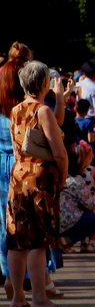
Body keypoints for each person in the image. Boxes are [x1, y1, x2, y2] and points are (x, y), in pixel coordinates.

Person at [5, 61, 69, 307]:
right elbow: (58, 152)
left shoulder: (15, 110)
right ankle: (40, 299)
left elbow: (17, 145)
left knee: (16, 240)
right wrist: (62, 176)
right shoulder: (42, 111)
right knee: (37, 241)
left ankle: (18, 297)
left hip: (18, 176)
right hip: (40, 179)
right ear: (44, 83)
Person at [0, 42, 32, 288]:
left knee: (3, 220)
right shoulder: (25, 111)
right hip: (21, 166)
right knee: (23, 221)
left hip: (1, 163)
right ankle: (26, 274)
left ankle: (4, 268)